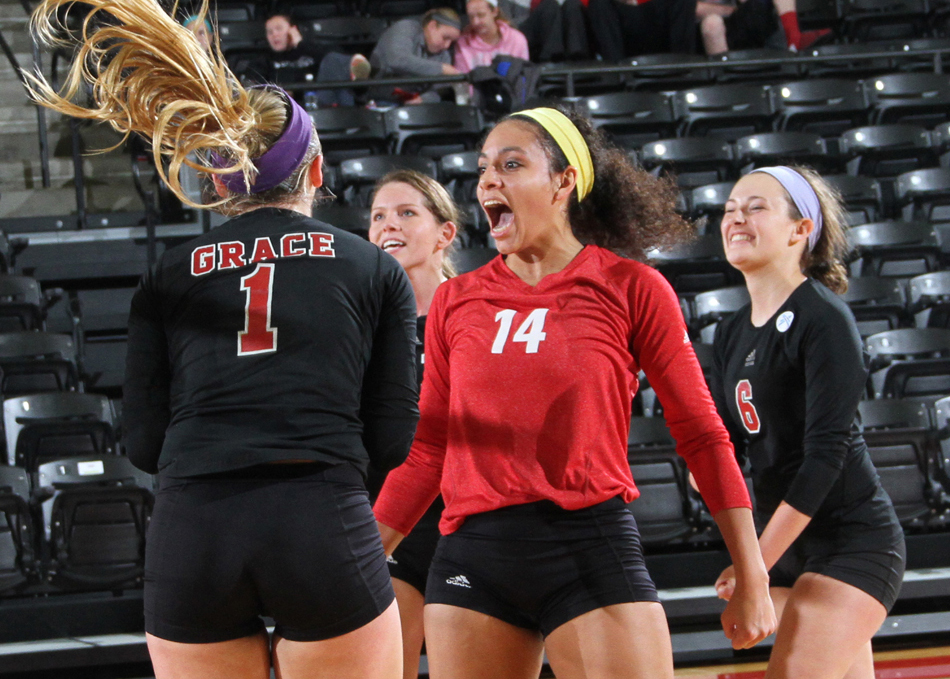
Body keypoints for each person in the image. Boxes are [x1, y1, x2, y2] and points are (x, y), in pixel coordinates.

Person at [27, 0, 419, 677]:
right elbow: (392, 441)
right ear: (317, 172)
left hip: (194, 532)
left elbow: (145, 444)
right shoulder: (375, 268)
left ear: (216, 179)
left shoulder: (166, 274)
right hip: (320, 517)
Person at [373, 106, 777, 679]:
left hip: (587, 543)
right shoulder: (456, 301)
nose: (488, 179)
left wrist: (752, 572)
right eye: (485, 167)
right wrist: (358, 562)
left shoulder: (633, 288)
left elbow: (702, 434)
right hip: (472, 555)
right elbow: (430, 450)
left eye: (512, 164)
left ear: (564, 181)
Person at [711, 166, 906, 678]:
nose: (736, 217)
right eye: (730, 208)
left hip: (851, 541)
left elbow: (825, 458)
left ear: (802, 230)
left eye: (756, 207)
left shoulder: (823, 318)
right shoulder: (730, 332)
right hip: (787, 549)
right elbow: (726, 449)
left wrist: (755, 566)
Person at [368, 170, 459, 679]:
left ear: (444, 233)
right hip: (391, 518)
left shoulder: (475, 310)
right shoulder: (362, 327)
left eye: (407, 213)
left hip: (466, 519)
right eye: (378, 216)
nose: (389, 225)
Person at [368, 8, 461, 105]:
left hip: (418, 107)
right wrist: (440, 69)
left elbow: (439, 90)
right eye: (445, 38)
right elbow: (397, 60)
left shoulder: (444, 55)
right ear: (432, 26)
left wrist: (423, 99)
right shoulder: (406, 28)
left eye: (451, 42)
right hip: (382, 99)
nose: (447, 46)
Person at [698, 0, 830, 55]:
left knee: (760, 5)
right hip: (698, 30)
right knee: (712, 23)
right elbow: (689, 9)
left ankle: (792, 41)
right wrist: (731, 10)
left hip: (741, 21)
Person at [454, 0, 530, 73]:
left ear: (494, 12)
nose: (475, 22)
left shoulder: (516, 39)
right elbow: (462, 81)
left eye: (481, 15)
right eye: (471, 17)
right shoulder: (463, 43)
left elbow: (523, 76)